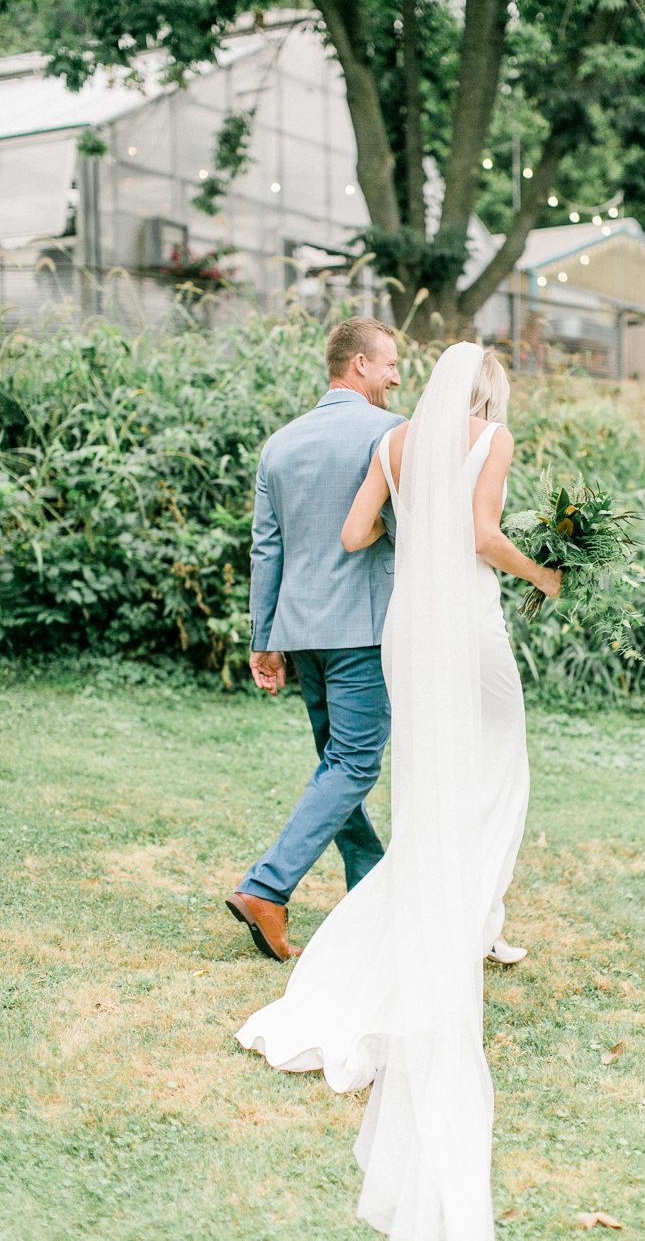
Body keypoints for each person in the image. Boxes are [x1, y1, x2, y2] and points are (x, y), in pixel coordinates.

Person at [235, 343, 562, 1239]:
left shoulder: (393, 444)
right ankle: (470, 914)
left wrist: (400, 529)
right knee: (499, 764)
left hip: (405, 629)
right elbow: (482, 537)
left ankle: (453, 911)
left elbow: (351, 536)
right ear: (486, 391)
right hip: (467, 621)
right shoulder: (487, 437)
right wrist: (547, 572)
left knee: (426, 777)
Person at [225, 316, 404, 961]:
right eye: (388, 363)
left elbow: (265, 548)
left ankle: (370, 885)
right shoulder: (390, 434)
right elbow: (404, 525)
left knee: (337, 764)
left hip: (301, 630)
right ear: (357, 364)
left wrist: (262, 637)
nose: (394, 376)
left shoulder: (280, 444)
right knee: (353, 764)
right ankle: (267, 888)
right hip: (363, 628)